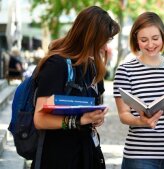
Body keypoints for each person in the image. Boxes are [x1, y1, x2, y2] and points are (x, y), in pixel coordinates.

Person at [32, 6, 120, 169]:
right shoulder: (56, 65)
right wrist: (79, 120)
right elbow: (39, 119)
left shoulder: (93, 67)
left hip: (86, 154)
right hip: (59, 157)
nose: (106, 46)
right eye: (104, 39)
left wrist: (96, 117)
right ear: (90, 37)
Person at [113, 12, 164, 169]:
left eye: (155, 38)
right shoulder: (125, 71)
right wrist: (141, 121)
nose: (150, 45)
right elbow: (123, 115)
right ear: (136, 41)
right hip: (139, 154)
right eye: (144, 40)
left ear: (163, 37)